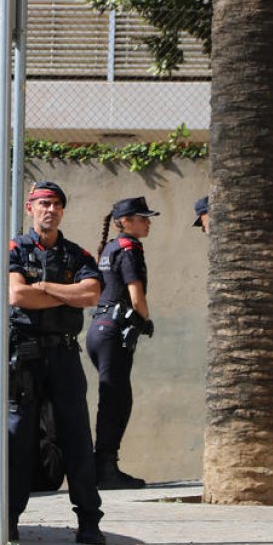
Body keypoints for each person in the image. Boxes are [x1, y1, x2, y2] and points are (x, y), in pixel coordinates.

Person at [0, 181, 105, 545]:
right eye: (43, 203)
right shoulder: (15, 248)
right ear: (30, 207)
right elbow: (15, 294)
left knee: (76, 436)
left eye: (57, 204)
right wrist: (65, 294)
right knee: (18, 437)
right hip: (25, 353)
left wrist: (42, 287)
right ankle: (8, 520)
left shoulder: (77, 255)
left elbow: (91, 293)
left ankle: (89, 521)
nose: (50, 209)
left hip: (63, 353)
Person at [86, 197, 159, 490]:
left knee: (114, 397)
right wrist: (145, 319)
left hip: (99, 329)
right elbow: (136, 293)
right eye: (142, 217)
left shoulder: (111, 248)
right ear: (124, 221)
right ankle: (104, 468)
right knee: (115, 400)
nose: (148, 222)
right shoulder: (129, 248)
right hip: (114, 331)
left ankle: (104, 464)